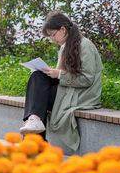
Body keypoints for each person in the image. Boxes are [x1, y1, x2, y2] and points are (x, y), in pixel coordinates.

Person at [19, 10, 103, 151]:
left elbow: (87, 79)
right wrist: (54, 73)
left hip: (83, 95)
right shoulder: (65, 46)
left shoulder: (85, 45)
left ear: (63, 29)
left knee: (39, 95)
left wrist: (59, 75)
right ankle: (34, 123)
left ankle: (34, 144)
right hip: (69, 90)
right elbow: (65, 75)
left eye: (53, 34)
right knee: (37, 76)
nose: (53, 39)